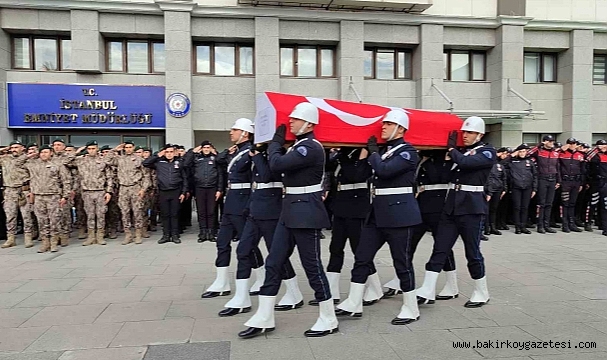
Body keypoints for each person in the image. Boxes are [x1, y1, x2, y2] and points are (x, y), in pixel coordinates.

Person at [239, 102, 338, 339]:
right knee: (274, 262)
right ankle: (264, 315)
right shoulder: (296, 147)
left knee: (312, 266)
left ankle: (328, 317)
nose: (290, 122)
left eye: (295, 119)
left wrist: (274, 143)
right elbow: (273, 170)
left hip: (306, 212)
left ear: (309, 123)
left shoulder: (311, 147)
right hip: (289, 210)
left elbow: (278, 164)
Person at [336, 109, 422, 325]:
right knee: (362, 257)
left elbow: (385, 171)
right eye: (383, 124)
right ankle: (354, 302)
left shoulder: (407, 152)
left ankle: (411, 307)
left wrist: (373, 153)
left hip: (400, 215)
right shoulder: (386, 151)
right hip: (377, 214)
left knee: (401, 262)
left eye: (388, 124)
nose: (383, 127)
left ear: (401, 129)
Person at [416, 116, 496, 308]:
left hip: (471, 208)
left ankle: (481, 291)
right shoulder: (460, 153)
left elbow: (467, 164)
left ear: (480, 134)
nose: (465, 136)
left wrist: (451, 150)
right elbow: (445, 174)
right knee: (440, 249)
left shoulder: (487, 152)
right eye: (464, 133)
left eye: (469, 132)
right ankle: (427, 288)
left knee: (472, 252)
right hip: (451, 206)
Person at [219, 143, 297, 316]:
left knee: (277, 255)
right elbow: (239, 169)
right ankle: (241, 297)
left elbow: (267, 176)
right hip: (255, 210)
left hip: (271, 211)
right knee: (243, 250)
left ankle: (294, 292)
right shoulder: (258, 154)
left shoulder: (278, 156)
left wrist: (258, 155)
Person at [383, 149, 459, 302]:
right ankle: (401, 277)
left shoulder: (446, 159)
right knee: (409, 243)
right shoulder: (421, 159)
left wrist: (431, 157)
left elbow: (441, 176)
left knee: (442, 247)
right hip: (421, 206)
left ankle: (452, 285)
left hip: (439, 207)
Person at [202, 119, 264, 299]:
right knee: (222, 242)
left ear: (245, 133)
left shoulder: (250, 151)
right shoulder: (237, 151)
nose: (231, 132)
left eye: (235, 129)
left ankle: (261, 277)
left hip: (243, 201)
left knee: (248, 244)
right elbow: (219, 161)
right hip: (232, 201)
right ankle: (221, 282)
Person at [309, 147, 372, 306]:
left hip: (356, 207)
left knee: (359, 250)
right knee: (335, 248)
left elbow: (355, 175)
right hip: (341, 206)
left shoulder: (362, 153)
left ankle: (373, 288)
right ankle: (331, 290)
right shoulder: (342, 154)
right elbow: (327, 167)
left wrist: (361, 155)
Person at [22, 145, 71, 253]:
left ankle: (54, 243)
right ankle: (45, 243)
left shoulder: (58, 164)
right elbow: (18, 164)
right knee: (41, 221)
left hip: (53, 196)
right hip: (38, 196)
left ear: (51, 153)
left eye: (46, 152)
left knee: (54, 220)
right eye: (41, 152)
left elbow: (66, 181)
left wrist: (65, 196)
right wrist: (30, 155)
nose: (43, 154)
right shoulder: (33, 164)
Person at [69, 141, 113, 246]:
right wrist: (77, 152)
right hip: (87, 191)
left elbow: (109, 177)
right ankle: (91, 236)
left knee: (101, 215)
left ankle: (100, 236)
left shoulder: (103, 160)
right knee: (90, 215)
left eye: (93, 148)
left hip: (100, 191)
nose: (91, 151)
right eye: (89, 149)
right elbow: (65, 161)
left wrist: (109, 191)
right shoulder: (81, 160)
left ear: (97, 149)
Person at [105, 141, 150, 244]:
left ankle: (138, 234)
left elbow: (146, 176)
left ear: (133, 148)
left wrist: (143, 189)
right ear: (124, 148)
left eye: (130, 147)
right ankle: (128, 234)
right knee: (124, 212)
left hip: (135, 187)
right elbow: (107, 160)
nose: (128, 149)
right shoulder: (119, 159)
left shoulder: (139, 160)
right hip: (123, 189)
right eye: (126, 147)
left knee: (137, 211)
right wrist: (115, 150)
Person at [143, 144, 188, 244]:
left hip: (176, 191)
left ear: (174, 153)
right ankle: (166, 235)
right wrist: (158, 155)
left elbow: (184, 178)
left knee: (175, 214)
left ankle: (175, 235)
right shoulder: (159, 162)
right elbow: (145, 163)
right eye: (167, 152)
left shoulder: (179, 162)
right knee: (165, 215)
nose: (169, 154)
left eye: (171, 152)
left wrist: (184, 192)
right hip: (163, 192)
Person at [184, 141, 224, 242]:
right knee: (201, 212)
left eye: (208, 147)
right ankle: (202, 233)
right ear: (201, 148)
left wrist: (219, 189)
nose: (206, 149)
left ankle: (210, 233)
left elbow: (220, 174)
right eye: (204, 147)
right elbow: (185, 164)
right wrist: (192, 151)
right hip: (199, 188)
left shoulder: (215, 158)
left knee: (211, 211)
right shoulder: (196, 158)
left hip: (212, 188)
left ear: (210, 148)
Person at [0, 141, 35, 249]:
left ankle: (28, 236)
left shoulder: (29, 159)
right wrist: (4, 149)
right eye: (12, 147)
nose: (14, 149)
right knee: (10, 215)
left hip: (23, 190)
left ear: (22, 148)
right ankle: (11, 238)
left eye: (16, 147)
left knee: (26, 215)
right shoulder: (5, 159)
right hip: (9, 191)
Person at [528, 135, 560, 234]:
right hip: (542, 178)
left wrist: (559, 181)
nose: (551, 143)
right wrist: (540, 145)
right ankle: (540, 225)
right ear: (545, 142)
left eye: (552, 141)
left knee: (549, 203)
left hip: (552, 179)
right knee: (541, 203)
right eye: (549, 141)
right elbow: (529, 153)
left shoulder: (555, 152)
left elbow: (557, 167)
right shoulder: (539, 151)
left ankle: (547, 225)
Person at [508, 144, 538, 234]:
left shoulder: (529, 162)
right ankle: (517, 227)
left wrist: (534, 189)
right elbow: (501, 163)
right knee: (517, 207)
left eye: (524, 151)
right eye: (520, 151)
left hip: (527, 187)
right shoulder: (512, 162)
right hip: (516, 187)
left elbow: (535, 175)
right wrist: (512, 155)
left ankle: (523, 226)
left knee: (525, 207)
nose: (522, 153)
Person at [558, 138, 585, 233]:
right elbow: (552, 154)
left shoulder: (580, 155)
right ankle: (565, 225)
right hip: (566, 182)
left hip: (576, 182)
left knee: (573, 203)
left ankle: (572, 224)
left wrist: (582, 183)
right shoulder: (562, 154)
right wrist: (561, 149)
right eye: (570, 143)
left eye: (573, 143)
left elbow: (583, 170)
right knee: (565, 203)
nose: (572, 145)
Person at [51, 138, 73, 246]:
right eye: (55, 145)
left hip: (64, 188)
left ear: (64, 147)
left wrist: (67, 192)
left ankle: (65, 235)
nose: (57, 147)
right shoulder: (51, 158)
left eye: (59, 145)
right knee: (54, 215)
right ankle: (56, 235)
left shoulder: (68, 157)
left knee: (65, 214)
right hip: (51, 190)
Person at [484, 147, 509, 236]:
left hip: (498, 189)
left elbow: (503, 177)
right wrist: (489, 192)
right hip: (489, 190)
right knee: (487, 209)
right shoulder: (488, 164)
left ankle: (492, 227)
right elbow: (488, 179)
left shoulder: (500, 165)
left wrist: (504, 189)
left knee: (494, 209)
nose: (505, 156)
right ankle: (486, 228)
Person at [587, 140, 607, 235]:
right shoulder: (594, 155)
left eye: (604, 145)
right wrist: (597, 149)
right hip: (595, 182)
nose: (603, 147)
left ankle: (603, 226)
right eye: (601, 145)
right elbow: (587, 157)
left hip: (605, 182)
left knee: (604, 205)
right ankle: (588, 222)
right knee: (593, 203)